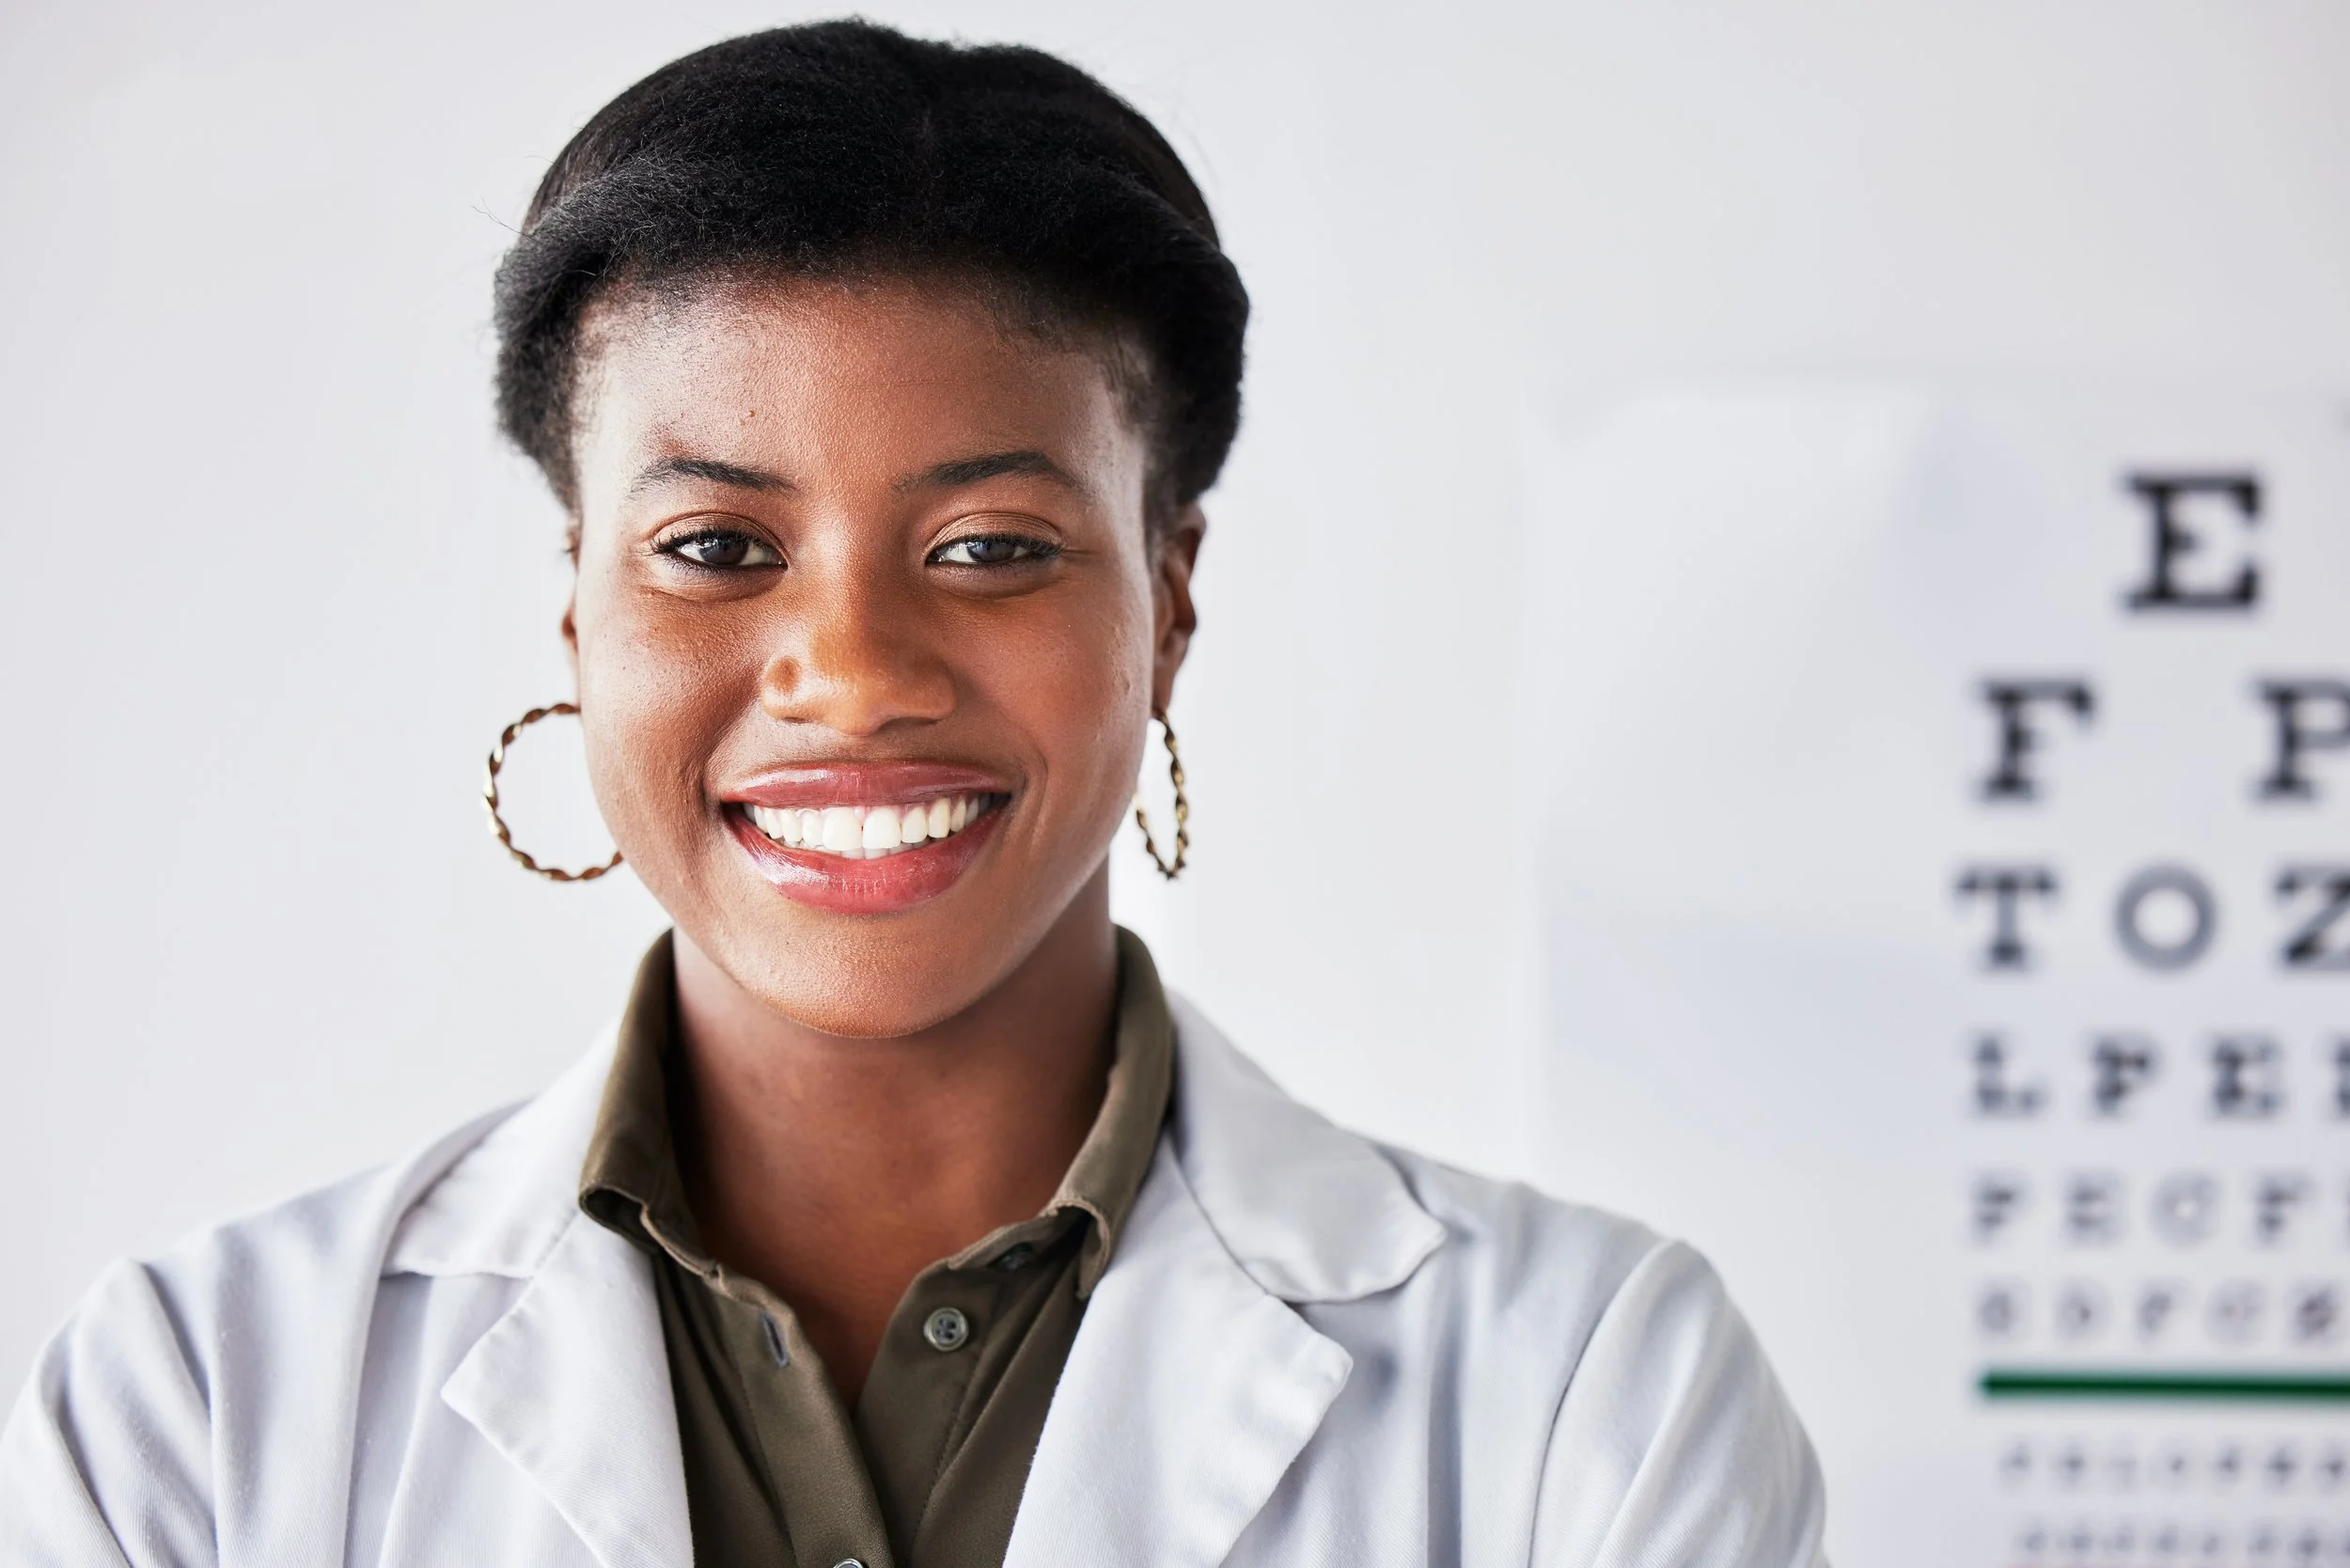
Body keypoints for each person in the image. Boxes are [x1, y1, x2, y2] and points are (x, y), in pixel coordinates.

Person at [0, 21, 1825, 1566]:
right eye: (716, 544)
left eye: (989, 547)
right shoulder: (199, 1405)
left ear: (1167, 600)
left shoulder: (1588, 1398)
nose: (853, 672)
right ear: (575, 607)